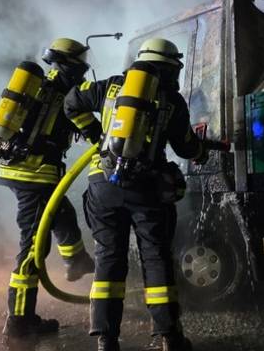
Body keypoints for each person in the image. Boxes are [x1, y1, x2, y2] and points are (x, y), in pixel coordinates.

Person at [64, 38, 207, 351]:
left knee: (108, 257)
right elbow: (186, 146)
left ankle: (106, 339)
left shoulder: (109, 86)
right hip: (146, 188)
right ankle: (170, 337)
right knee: (155, 257)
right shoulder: (172, 99)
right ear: (169, 68)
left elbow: (70, 102)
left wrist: (95, 134)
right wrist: (201, 151)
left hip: (102, 184)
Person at [0, 38, 95, 339]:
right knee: (33, 248)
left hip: (21, 171)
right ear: (70, 64)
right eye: (80, 62)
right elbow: (92, 130)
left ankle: (76, 261)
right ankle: (20, 322)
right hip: (35, 175)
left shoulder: (41, 87)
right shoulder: (66, 93)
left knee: (62, 213)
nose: (84, 67)